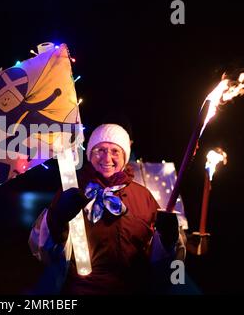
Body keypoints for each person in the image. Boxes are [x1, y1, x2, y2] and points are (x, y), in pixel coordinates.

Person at [29, 123, 185, 294]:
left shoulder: (143, 196)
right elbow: (43, 251)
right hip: (81, 290)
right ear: (89, 153)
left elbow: (164, 261)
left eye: (115, 151)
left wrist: (168, 240)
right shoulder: (73, 190)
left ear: (125, 156)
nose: (107, 158)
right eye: (100, 150)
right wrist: (56, 220)